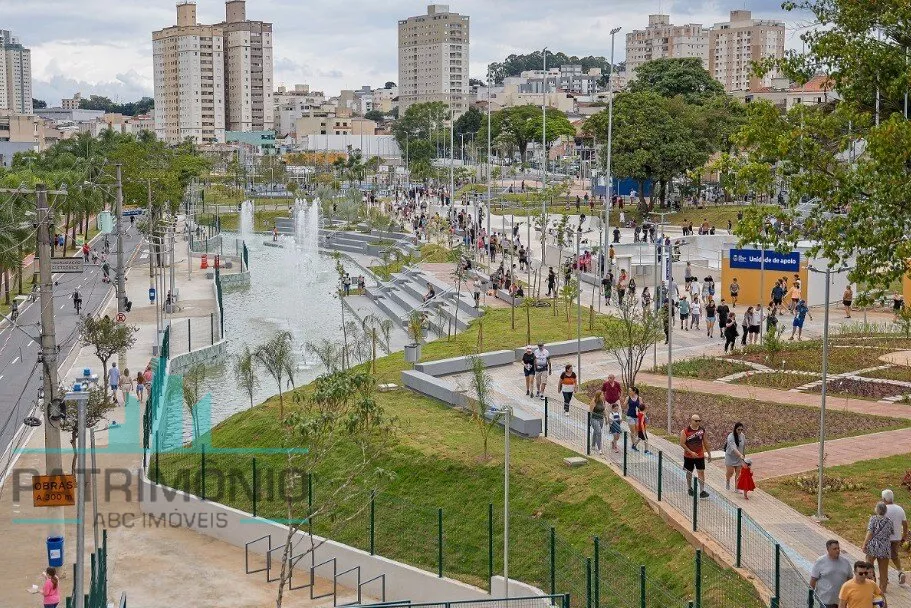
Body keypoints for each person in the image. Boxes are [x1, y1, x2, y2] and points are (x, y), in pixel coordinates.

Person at [863, 502, 895, 595]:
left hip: (873, 546)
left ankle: (870, 587)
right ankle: (882, 591)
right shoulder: (889, 521)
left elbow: (870, 532)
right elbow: (891, 532)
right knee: (883, 570)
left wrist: (864, 544)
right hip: (884, 547)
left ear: (877, 509)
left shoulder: (873, 519)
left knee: (869, 567)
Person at [811, 540, 854, 608]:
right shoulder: (820, 562)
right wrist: (810, 595)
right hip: (825, 601)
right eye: (834, 549)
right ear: (828, 550)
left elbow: (850, 580)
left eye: (838, 548)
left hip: (841, 601)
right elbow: (813, 580)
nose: (837, 550)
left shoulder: (845, 562)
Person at [680, 414, 711, 498]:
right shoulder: (685, 431)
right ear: (691, 421)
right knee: (689, 472)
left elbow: (705, 442)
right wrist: (691, 452)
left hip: (699, 455)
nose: (698, 422)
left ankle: (702, 491)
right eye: (696, 421)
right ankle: (689, 488)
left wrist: (709, 453)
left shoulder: (702, 430)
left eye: (699, 421)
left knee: (701, 472)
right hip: (688, 456)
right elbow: (682, 443)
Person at [881, 489, 908, 586]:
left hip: (885, 538)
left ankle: (885, 577)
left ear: (884, 499)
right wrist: (904, 536)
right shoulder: (900, 509)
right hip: (897, 538)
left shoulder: (883, 509)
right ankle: (900, 571)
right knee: (895, 556)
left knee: (884, 558)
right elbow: (905, 524)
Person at [724, 422, 746, 491]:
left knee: (738, 473)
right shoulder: (730, 437)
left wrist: (743, 454)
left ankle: (737, 488)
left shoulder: (742, 436)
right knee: (730, 472)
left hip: (739, 458)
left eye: (741, 429)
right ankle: (728, 480)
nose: (740, 431)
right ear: (735, 429)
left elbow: (743, 446)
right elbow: (734, 448)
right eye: (738, 429)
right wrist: (740, 455)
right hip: (730, 457)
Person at [626, 386, 642, 450]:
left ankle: (633, 443)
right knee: (632, 431)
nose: (629, 392)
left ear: (634, 391)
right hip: (630, 416)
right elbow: (624, 405)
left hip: (637, 417)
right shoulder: (628, 398)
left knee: (637, 432)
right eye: (629, 390)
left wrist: (639, 409)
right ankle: (633, 444)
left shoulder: (639, 398)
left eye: (630, 391)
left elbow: (641, 407)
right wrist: (625, 403)